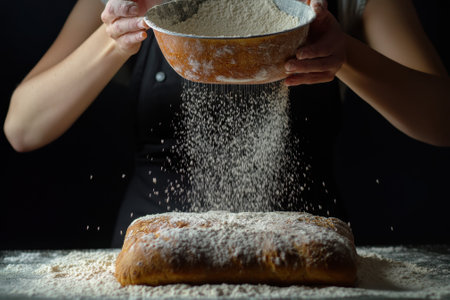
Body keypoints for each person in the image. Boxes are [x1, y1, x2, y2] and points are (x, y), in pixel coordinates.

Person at [3, 0, 449, 246]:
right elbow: (23, 127)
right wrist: (114, 39)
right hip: (157, 256)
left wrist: (344, 54)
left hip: (305, 256)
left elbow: (441, 120)